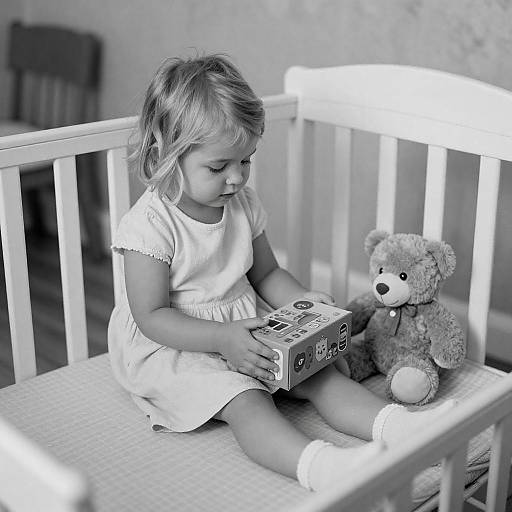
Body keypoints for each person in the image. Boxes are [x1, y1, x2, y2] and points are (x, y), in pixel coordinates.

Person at [108, 54, 456, 492]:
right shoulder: (151, 226)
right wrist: (220, 339)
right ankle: (324, 467)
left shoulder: (242, 204)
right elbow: (151, 316)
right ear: (166, 156)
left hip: (246, 326)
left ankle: (403, 429)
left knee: (320, 373)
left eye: (246, 161)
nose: (236, 179)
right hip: (179, 344)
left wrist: (305, 301)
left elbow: (267, 273)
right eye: (218, 167)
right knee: (245, 399)